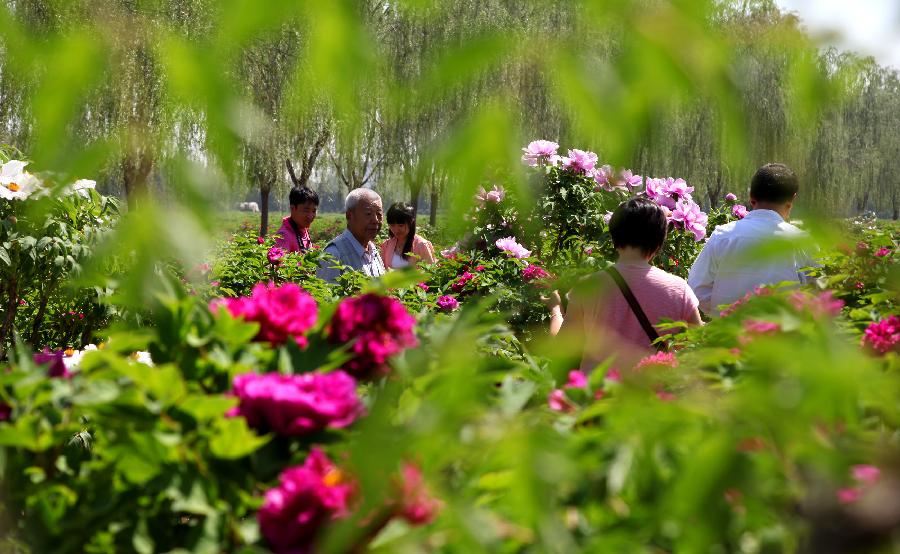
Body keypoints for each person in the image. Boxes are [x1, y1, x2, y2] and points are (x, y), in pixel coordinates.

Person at [545, 197, 702, 371]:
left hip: (597, 393)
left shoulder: (588, 287)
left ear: (614, 237)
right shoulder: (679, 290)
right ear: (659, 242)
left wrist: (555, 310)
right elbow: (695, 349)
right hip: (655, 394)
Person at [687, 163, 812, 316]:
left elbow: (697, 288)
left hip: (727, 334)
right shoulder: (801, 241)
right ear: (791, 200)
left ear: (751, 198)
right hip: (784, 335)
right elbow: (817, 292)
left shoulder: (723, 236)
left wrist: (721, 313)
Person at [317, 188, 386, 283]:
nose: (375, 220)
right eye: (368, 214)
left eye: (379, 214)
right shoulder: (333, 254)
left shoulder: (373, 250)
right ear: (349, 216)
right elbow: (325, 297)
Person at [380, 202, 436, 269]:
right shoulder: (386, 245)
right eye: (392, 225)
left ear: (411, 222)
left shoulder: (421, 245)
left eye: (401, 225)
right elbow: (382, 270)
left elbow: (430, 273)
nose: (396, 230)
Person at [275, 187, 319, 252]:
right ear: (292, 208)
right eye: (306, 210)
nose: (310, 216)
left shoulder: (303, 229)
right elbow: (280, 261)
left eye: (314, 211)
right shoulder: (283, 236)